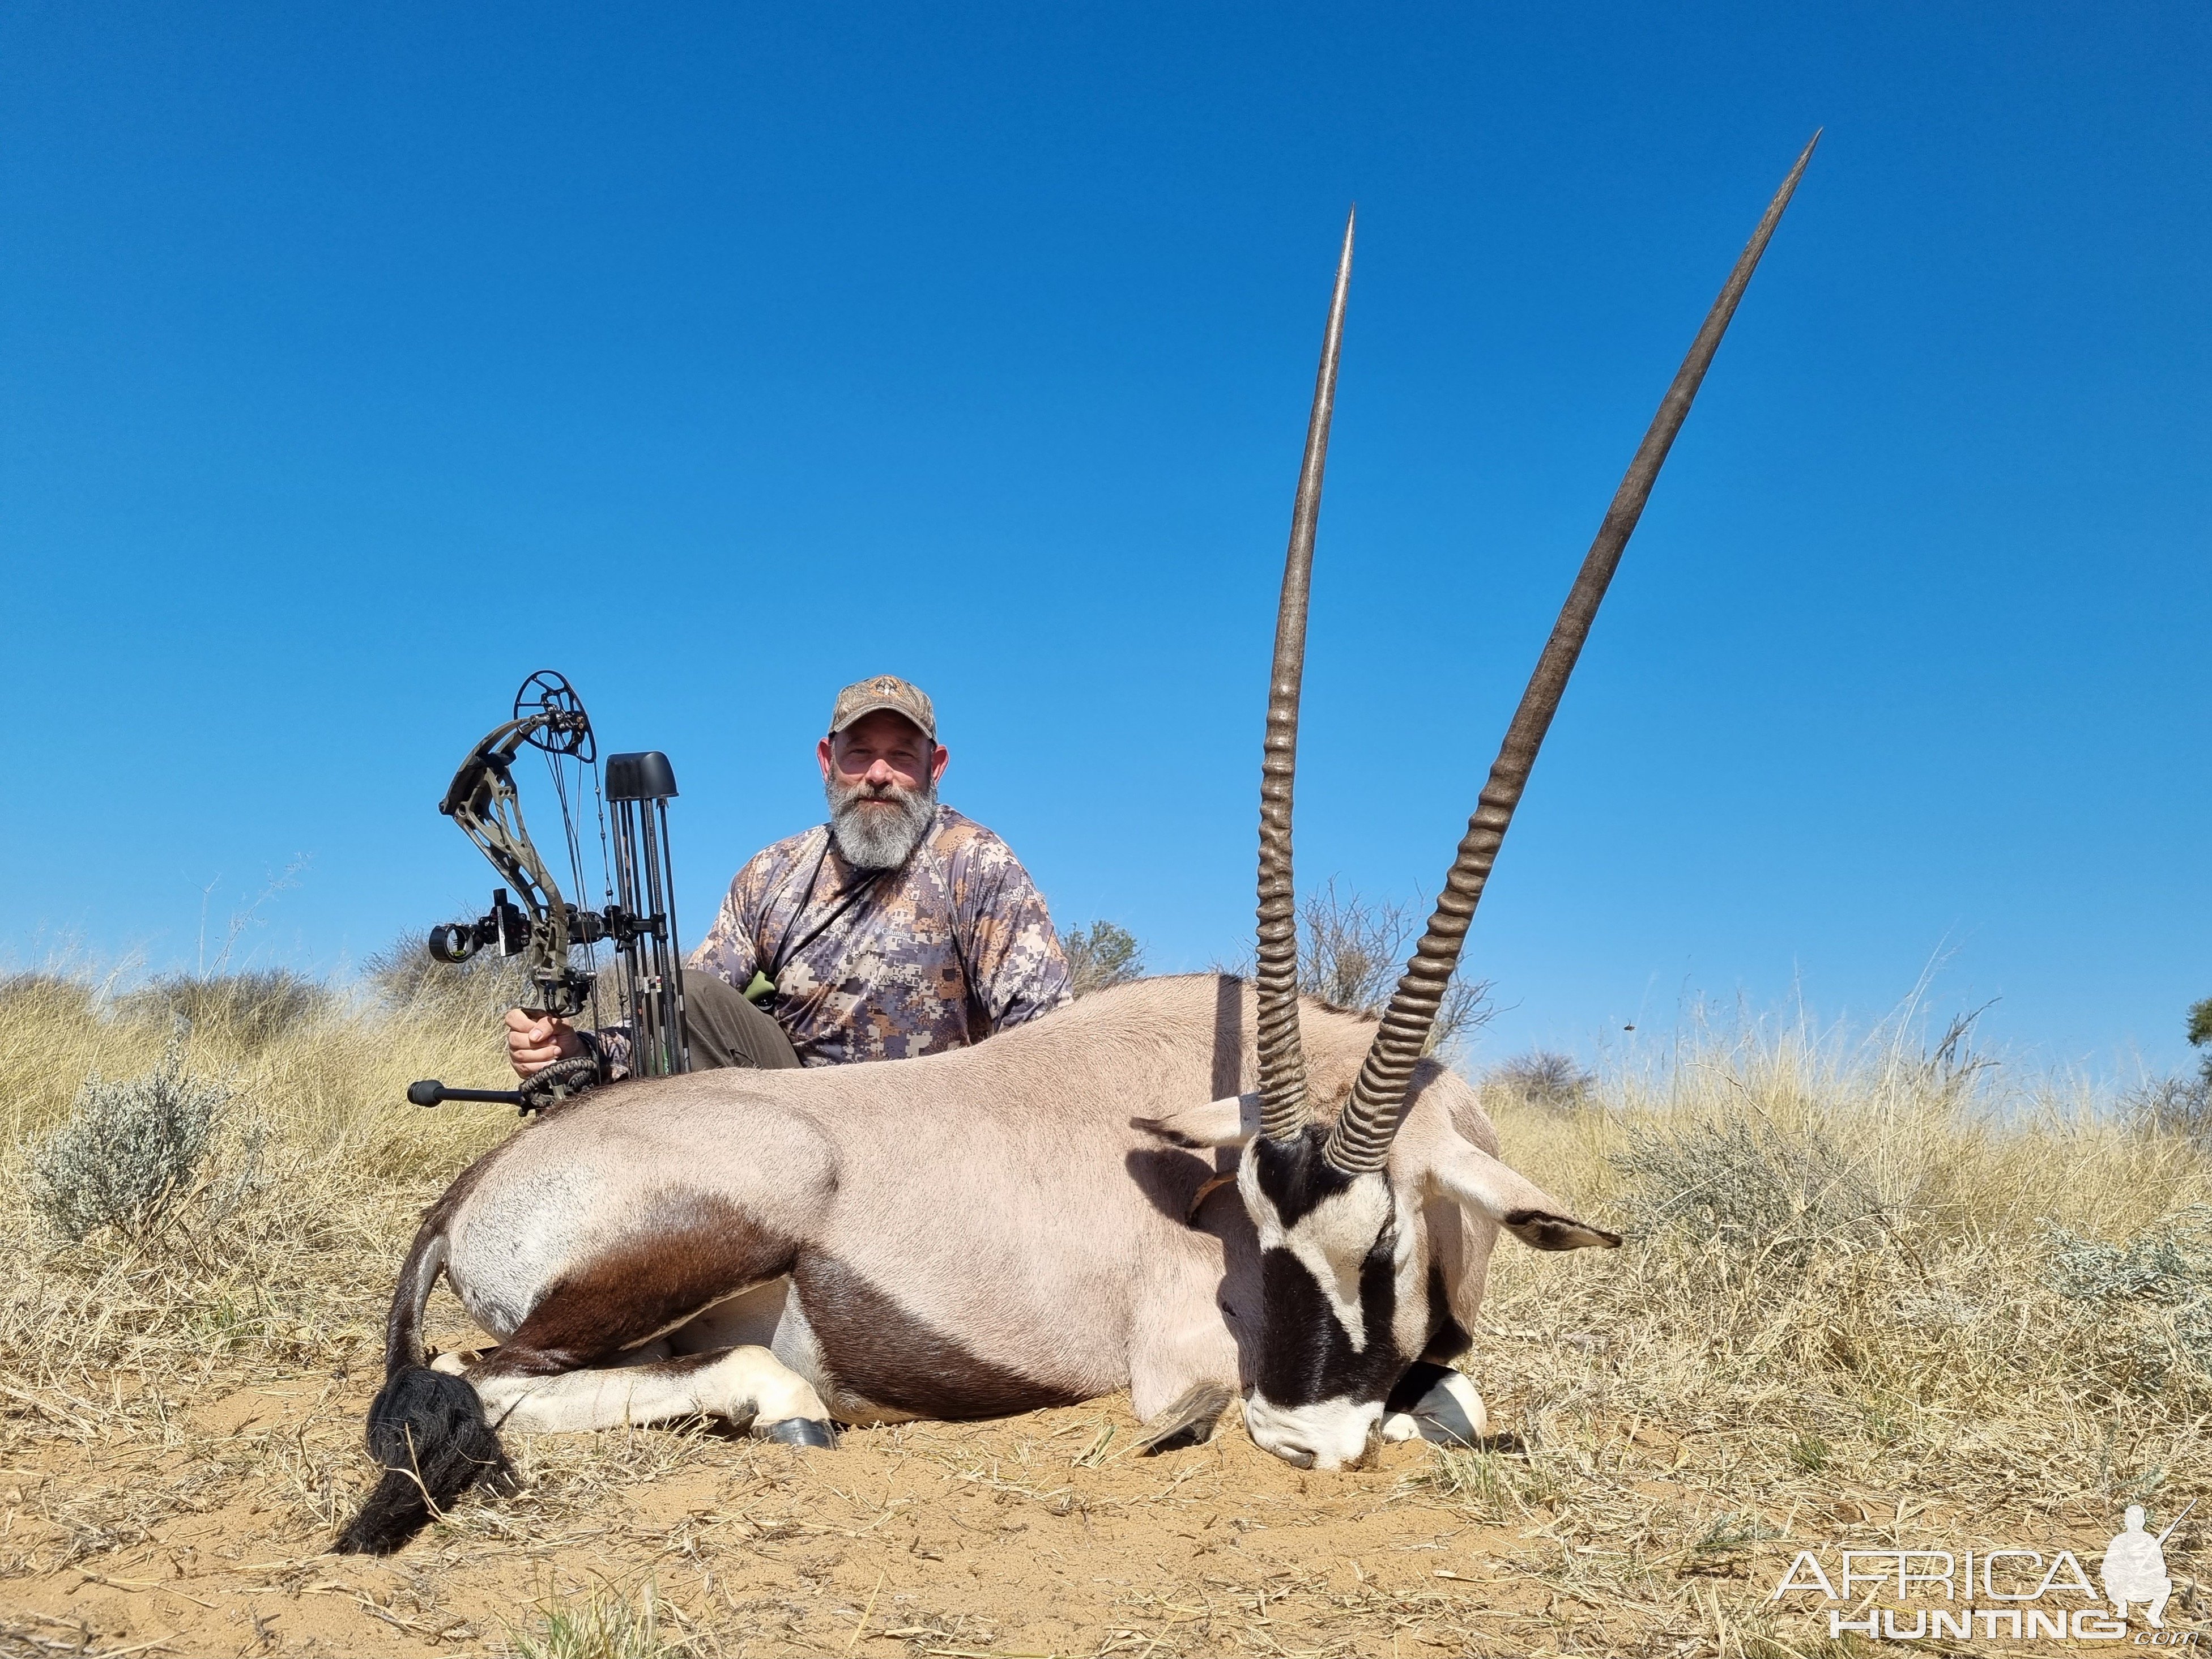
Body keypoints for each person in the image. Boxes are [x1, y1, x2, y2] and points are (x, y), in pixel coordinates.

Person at [506, 674, 1073, 1078]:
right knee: (687, 991)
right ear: (827, 761)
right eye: (859, 754)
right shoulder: (771, 874)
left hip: (931, 1130)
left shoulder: (975, 861)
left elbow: (1046, 1032)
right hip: (798, 1125)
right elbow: (684, 1014)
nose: (878, 774)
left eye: (901, 756)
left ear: (935, 767)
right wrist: (580, 1048)